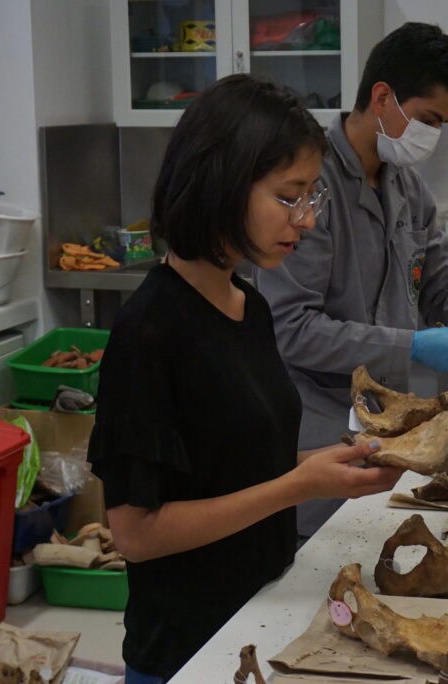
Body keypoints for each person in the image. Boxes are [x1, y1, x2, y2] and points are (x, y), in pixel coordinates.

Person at [87, 74, 404, 684]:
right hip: (185, 653)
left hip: (258, 620)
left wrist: (345, 457)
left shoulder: (248, 305)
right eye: (289, 197)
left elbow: (237, 454)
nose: (305, 220)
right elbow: (136, 533)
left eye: (313, 197)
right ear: (224, 186)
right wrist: (296, 486)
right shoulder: (149, 329)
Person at [254, 23, 448, 539]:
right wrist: (413, 348)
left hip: (387, 422)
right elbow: (290, 327)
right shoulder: (312, 187)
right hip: (314, 420)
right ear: (382, 97)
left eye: (442, 124)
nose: (434, 136)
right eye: (427, 119)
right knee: (308, 574)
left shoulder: (409, 190)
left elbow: (438, 287)